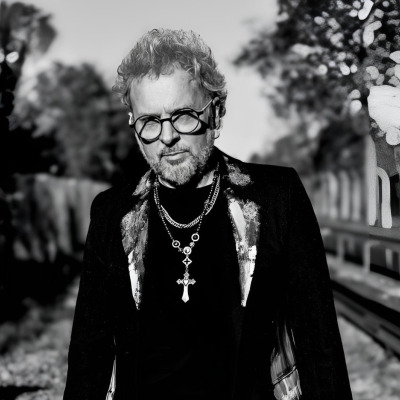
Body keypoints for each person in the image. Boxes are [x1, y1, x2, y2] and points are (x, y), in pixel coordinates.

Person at [64, 29, 353, 400]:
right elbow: (89, 355)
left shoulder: (277, 198)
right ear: (134, 127)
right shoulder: (112, 212)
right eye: (150, 122)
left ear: (215, 113)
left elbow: (319, 341)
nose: (167, 137)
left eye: (183, 116)